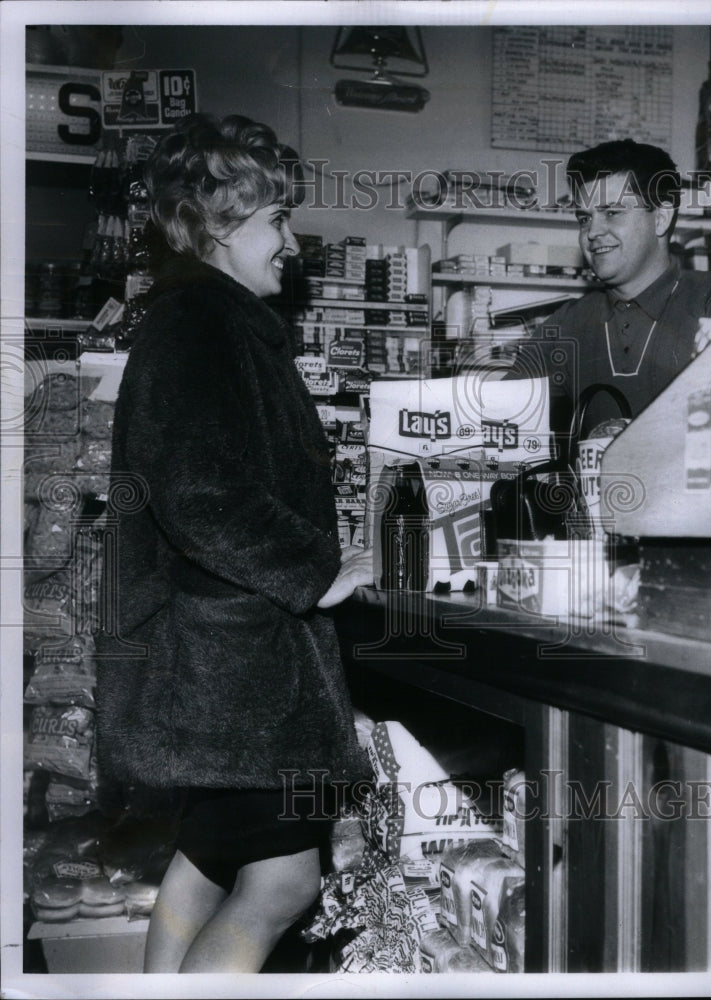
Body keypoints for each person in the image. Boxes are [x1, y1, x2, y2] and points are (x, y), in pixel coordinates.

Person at [94, 113, 373, 973]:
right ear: (216, 226)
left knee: (208, 860)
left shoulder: (204, 320)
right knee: (284, 883)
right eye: (277, 220)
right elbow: (199, 492)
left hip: (215, 668)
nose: (292, 242)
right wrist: (320, 568)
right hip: (239, 674)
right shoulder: (204, 327)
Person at [510, 139, 711, 434]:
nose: (593, 232)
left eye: (612, 213)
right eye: (584, 218)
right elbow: (504, 414)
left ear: (661, 219)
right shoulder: (567, 323)